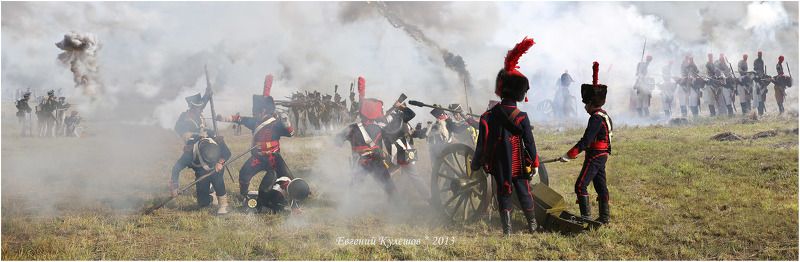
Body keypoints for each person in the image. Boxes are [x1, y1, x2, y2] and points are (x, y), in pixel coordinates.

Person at [471, 37, 539, 236]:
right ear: (519, 93)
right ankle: (532, 225)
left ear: (501, 90)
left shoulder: (488, 116)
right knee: (524, 191)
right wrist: (534, 162)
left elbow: (481, 144)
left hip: (499, 162)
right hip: (518, 160)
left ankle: (507, 230)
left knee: (504, 193)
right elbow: (530, 142)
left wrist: (476, 164)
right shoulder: (522, 117)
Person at [222, 77, 296, 208]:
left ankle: (289, 199)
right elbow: (240, 119)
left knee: (285, 178)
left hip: (273, 158)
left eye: (257, 110)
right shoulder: (254, 122)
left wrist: (287, 123)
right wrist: (223, 118)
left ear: (263, 110)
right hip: (258, 158)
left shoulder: (276, 124)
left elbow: (291, 133)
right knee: (244, 173)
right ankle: (244, 195)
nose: (254, 112)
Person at [559, 61, 613, 225]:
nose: (584, 107)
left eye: (586, 104)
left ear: (591, 103)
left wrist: (569, 155)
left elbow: (586, 141)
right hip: (602, 155)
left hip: (595, 155)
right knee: (600, 185)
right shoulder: (604, 115)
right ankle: (604, 218)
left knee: (580, 185)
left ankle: (586, 219)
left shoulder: (596, 118)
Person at [337, 76, 396, 198]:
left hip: (360, 163)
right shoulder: (380, 128)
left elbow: (337, 141)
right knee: (390, 189)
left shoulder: (352, 128)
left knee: (353, 192)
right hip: (377, 162)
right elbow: (391, 142)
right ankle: (397, 206)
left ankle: (349, 208)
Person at [170, 133, 232, 214]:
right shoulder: (189, 154)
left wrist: (220, 162)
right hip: (200, 172)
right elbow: (176, 169)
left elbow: (227, 153)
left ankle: (223, 205)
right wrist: (174, 187)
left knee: (218, 181)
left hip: (217, 167)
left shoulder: (218, 141)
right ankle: (211, 198)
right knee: (203, 203)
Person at [382, 102, 430, 200]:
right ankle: (429, 198)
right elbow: (411, 113)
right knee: (414, 175)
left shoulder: (389, 121)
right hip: (403, 150)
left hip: (405, 149)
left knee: (406, 175)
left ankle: (401, 197)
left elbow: (411, 133)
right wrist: (402, 107)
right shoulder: (397, 119)